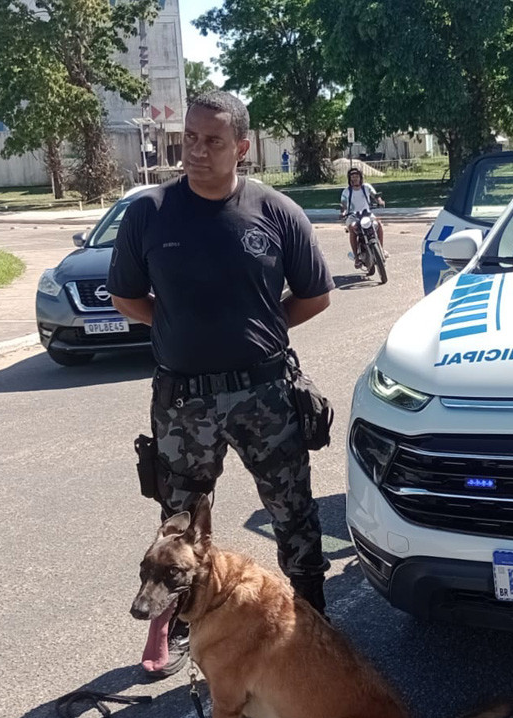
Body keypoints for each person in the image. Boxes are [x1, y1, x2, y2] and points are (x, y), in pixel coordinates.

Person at [107, 90, 334, 678]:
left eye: (212, 141)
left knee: (292, 511)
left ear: (242, 146)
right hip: (183, 399)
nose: (197, 152)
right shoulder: (149, 213)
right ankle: (180, 626)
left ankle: (312, 620)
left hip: (265, 393)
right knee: (179, 521)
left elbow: (316, 294)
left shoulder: (276, 211)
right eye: (190, 139)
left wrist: (260, 329)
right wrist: (177, 328)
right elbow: (126, 295)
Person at [339, 167, 385, 267]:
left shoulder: (366, 187)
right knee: (352, 228)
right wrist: (343, 212)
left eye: (357, 176)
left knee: (379, 224)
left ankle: (381, 249)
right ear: (349, 179)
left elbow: (376, 196)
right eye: (352, 177)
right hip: (353, 216)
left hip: (367, 214)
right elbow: (343, 204)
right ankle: (356, 258)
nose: (355, 179)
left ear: (360, 177)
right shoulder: (346, 192)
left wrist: (380, 201)